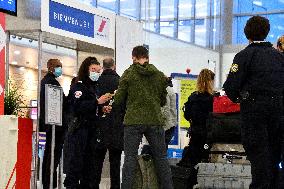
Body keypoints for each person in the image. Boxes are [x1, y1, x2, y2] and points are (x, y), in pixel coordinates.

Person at [223, 16, 284, 189]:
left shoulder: (243, 56)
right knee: (274, 158)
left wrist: (240, 98)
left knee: (258, 159)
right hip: (278, 113)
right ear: (267, 33)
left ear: (246, 33)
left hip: (254, 113)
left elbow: (231, 87)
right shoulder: (279, 57)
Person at [114, 46, 174, 189]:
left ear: (133, 57)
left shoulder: (128, 74)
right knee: (161, 158)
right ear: (147, 57)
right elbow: (163, 101)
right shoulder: (159, 75)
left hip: (133, 121)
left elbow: (119, 100)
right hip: (154, 120)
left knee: (130, 158)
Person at [63, 57, 110, 189]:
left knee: (89, 166)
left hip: (91, 131)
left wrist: (101, 108)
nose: (96, 73)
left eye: (98, 70)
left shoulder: (94, 87)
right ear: (86, 69)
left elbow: (90, 107)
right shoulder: (78, 86)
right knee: (76, 164)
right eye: (93, 70)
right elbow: (76, 107)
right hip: (80, 131)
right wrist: (97, 102)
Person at [93, 57, 123, 189]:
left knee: (97, 163)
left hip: (99, 128)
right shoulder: (121, 82)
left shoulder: (97, 82)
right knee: (115, 164)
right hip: (117, 129)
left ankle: (94, 186)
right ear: (114, 66)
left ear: (103, 67)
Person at [177, 69, 214, 168]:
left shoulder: (193, 97)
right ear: (211, 81)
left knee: (192, 162)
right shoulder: (214, 99)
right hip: (209, 136)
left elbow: (187, 115)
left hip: (195, 134)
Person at [40, 59, 66, 189]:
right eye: (57, 66)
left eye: (60, 67)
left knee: (48, 157)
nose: (59, 69)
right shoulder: (52, 83)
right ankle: (49, 184)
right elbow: (63, 103)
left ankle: (48, 183)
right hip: (54, 127)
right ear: (50, 67)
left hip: (48, 127)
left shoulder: (44, 82)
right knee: (52, 158)